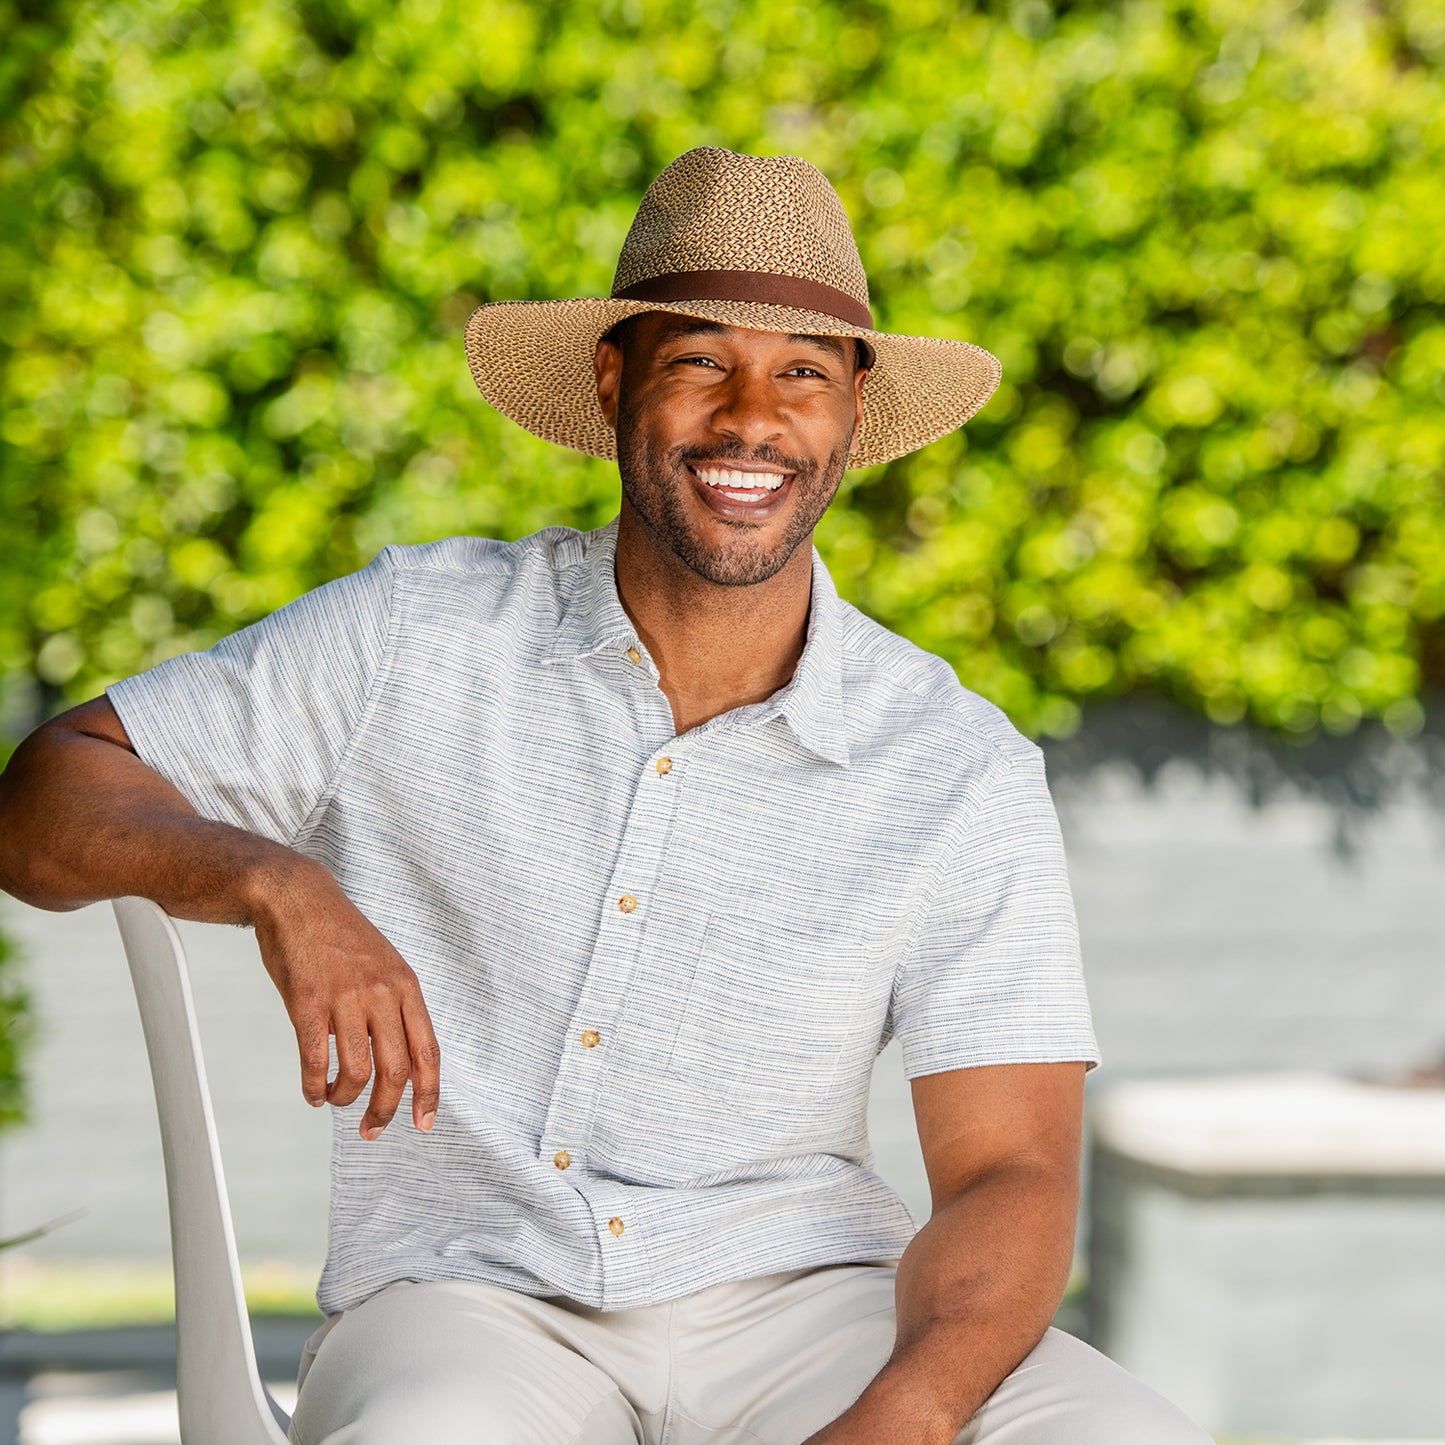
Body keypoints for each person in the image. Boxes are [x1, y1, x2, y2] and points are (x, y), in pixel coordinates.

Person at [0, 147, 1210, 1444]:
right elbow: (43, 798)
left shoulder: (952, 764)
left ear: (853, 414)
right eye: (701, 361)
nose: (751, 416)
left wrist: (903, 1417)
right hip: (466, 1302)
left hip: (810, 1308)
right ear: (612, 377)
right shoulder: (416, 630)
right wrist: (271, 878)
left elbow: (1009, 1171)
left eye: (801, 371)